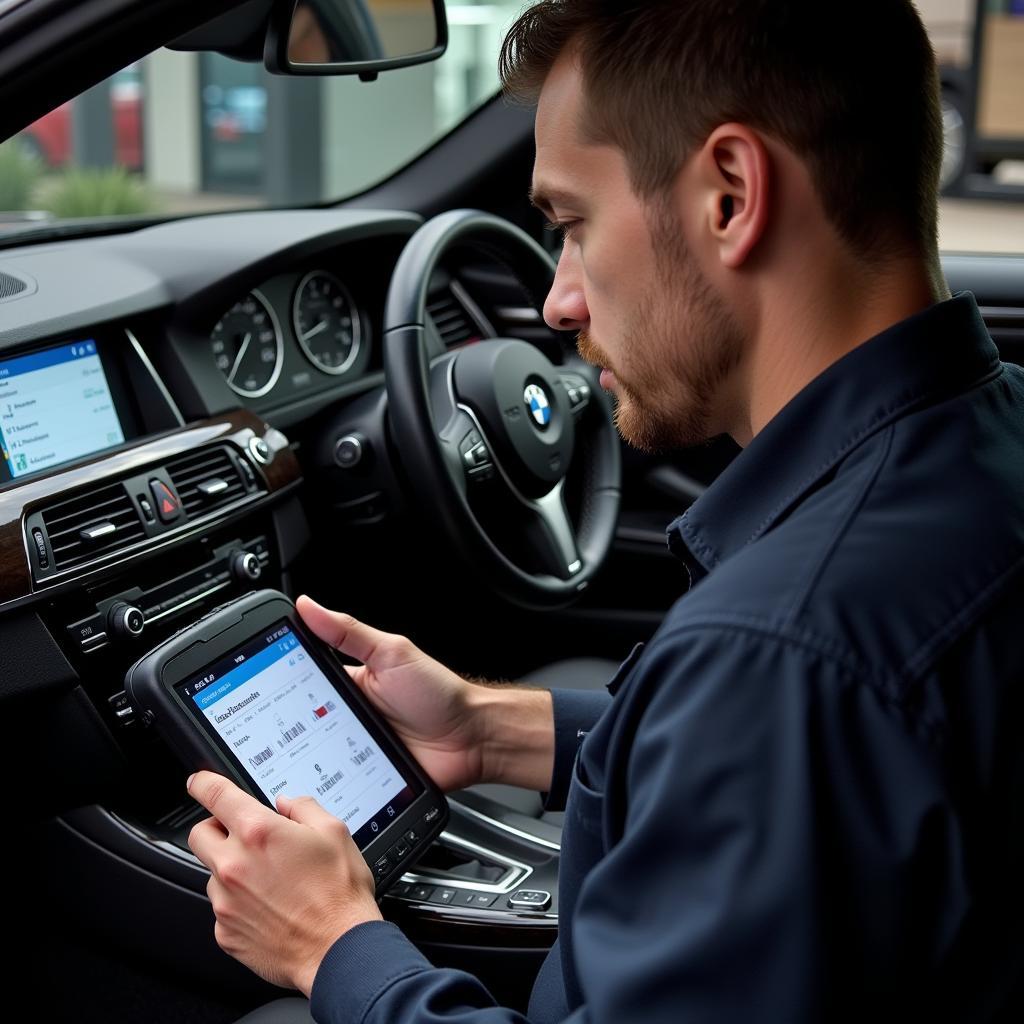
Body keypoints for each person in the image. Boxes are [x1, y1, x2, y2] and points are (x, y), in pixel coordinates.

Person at [187, 1, 1024, 1021]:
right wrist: (491, 730)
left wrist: (338, 947)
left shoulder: (779, 655)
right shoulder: (986, 441)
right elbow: (812, 766)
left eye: (573, 225)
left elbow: (780, 712)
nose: (556, 302)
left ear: (730, 194)